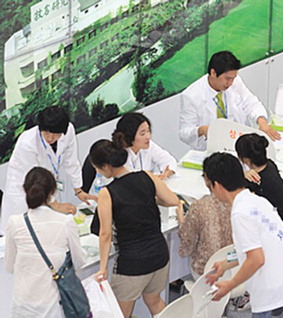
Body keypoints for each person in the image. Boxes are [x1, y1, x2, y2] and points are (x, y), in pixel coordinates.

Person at [204, 153, 283, 317]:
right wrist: (225, 264)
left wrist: (230, 284)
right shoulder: (256, 201)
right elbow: (251, 247)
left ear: (217, 185)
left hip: (271, 294)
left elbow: (256, 259)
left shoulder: (240, 214)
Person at [91, 137, 179, 317]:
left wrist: (102, 268)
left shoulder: (107, 193)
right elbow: (173, 200)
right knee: (154, 301)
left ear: (106, 167)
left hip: (132, 264)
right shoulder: (146, 176)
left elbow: (105, 234)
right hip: (159, 254)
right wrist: (146, 199)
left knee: (120, 314)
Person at [5, 167, 87, 317]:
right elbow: (79, 262)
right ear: (52, 192)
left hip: (22, 305)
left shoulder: (14, 223)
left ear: (25, 190)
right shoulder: (66, 222)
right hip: (53, 305)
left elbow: (10, 266)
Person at [1, 106, 95, 235]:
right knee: (23, 235)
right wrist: (55, 205)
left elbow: (71, 162)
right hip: (24, 192)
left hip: (48, 189)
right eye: (46, 133)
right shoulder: (27, 143)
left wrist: (78, 189)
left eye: (56, 134)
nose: (50, 138)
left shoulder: (68, 131)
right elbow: (35, 180)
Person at [179, 51, 280, 150]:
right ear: (213, 73)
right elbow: (184, 133)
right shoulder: (191, 95)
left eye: (233, 78)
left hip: (238, 143)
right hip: (210, 149)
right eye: (227, 78)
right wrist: (201, 130)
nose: (230, 83)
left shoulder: (236, 82)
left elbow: (251, 102)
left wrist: (261, 121)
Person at [81, 112, 178, 192]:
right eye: (142, 133)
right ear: (129, 136)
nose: (148, 136)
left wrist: (166, 173)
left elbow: (169, 160)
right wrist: (155, 179)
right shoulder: (118, 156)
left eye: (148, 131)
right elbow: (133, 182)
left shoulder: (148, 145)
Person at [235, 133, 283, 238]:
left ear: (246, 160)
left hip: (277, 235)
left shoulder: (253, 182)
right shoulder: (270, 165)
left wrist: (242, 176)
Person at [176, 178, 233, 279]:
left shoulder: (199, 206)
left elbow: (187, 242)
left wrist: (181, 219)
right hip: (237, 271)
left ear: (207, 180)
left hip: (206, 274)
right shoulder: (241, 202)